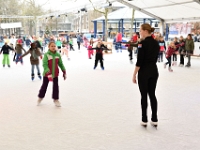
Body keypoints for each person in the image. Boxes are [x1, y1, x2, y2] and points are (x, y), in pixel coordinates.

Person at [132, 23, 160, 128]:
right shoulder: (156, 43)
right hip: (154, 71)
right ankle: (154, 118)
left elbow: (139, 61)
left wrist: (134, 74)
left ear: (145, 31)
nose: (139, 32)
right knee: (152, 94)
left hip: (144, 72)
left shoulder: (142, 44)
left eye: (140, 30)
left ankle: (144, 119)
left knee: (144, 96)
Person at [37, 42, 66, 107]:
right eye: (52, 46)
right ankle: (40, 97)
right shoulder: (46, 55)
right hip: (47, 74)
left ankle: (56, 99)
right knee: (44, 86)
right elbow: (45, 64)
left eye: (54, 46)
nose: (53, 47)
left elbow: (60, 64)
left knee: (56, 87)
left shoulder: (57, 55)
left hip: (55, 74)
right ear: (49, 47)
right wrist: (48, 72)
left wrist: (64, 71)